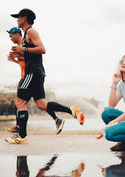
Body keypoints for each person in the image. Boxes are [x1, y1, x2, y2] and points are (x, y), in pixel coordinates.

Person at [6, 8, 85, 144]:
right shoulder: (26, 35)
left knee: (19, 102)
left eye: (18, 18)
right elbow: (31, 53)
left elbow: (42, 49)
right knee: (42, 104)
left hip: (32, 73)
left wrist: (22, 49)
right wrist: (18, 55)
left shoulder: (31, 31)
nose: (17, 20)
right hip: (37, 73)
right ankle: (72, 111)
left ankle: (22, 136)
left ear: (24, 18)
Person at [5, 27, 25, 134]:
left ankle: (19, 128)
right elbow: (24, 65)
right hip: (24, 77)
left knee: (20, 103)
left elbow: (29, 63)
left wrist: (17, 57)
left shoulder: (23, 47)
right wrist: (14, 61)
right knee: (19, 103)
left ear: (17, 34)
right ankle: (18, 127)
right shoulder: (19, 47)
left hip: (27, 78)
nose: (10, 38)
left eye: (11, 36)